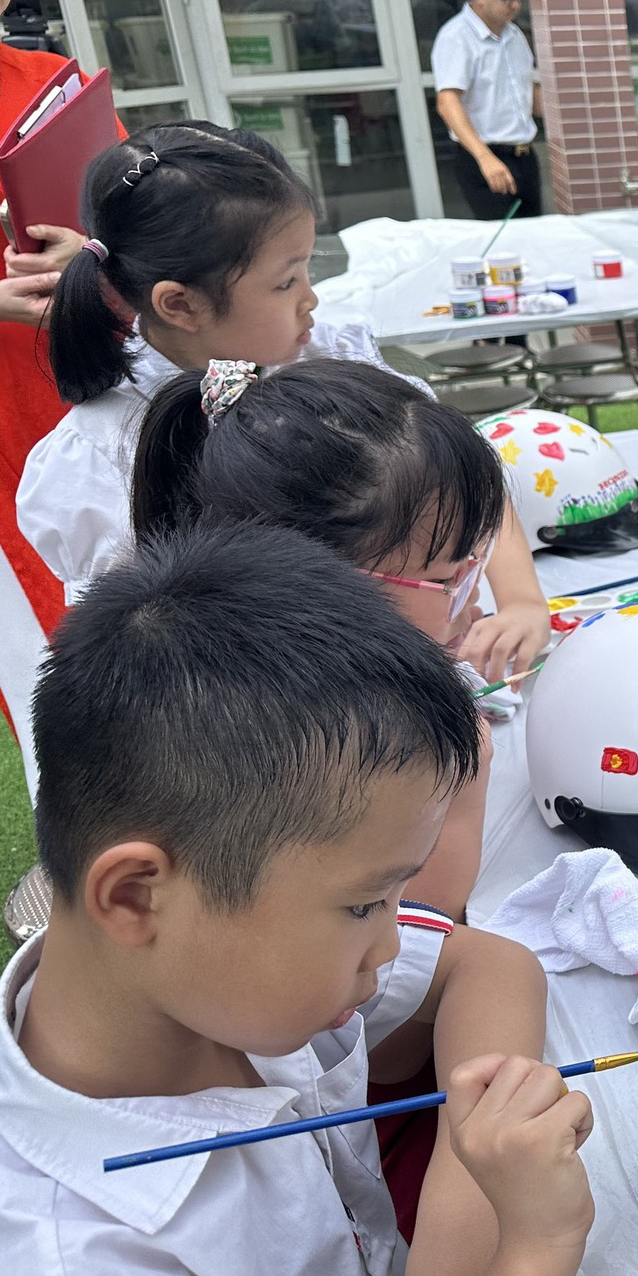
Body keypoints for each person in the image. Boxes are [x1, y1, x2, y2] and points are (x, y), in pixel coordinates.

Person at [0, 522, 591, 1276]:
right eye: (364, 904)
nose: (391, 940)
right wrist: (537, 1248)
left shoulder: (213, 977)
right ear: (136, 897)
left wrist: (447, 1266)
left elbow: (487, 965)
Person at [15, 124, 551, 681]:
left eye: (307, 269)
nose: (311, 297)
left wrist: (520, 601)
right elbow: (147, 656)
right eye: (286, 281)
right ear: (181, 305)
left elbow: (457, 477)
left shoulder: (329, 350)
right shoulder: (101, 458)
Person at [132, 357, 512, 919]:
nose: (470, 594)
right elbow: (415, 931)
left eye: (474, 561)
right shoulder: (400, 746)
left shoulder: (182, 668)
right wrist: (461, 759)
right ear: (321, 584)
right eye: (446, 579)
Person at [0, 0, 106, 654]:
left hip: (78, 389)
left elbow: (127, 221)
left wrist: (91, 251)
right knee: (34, 649)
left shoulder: (48, 85)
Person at [432, 0, 543, 219]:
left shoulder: (515, 35)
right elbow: (447, 102)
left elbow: (528, 92)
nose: (515, 5)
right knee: (504, 240)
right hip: (486, 156)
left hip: (524, 154)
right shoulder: (457, 37)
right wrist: (484, 158)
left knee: (533, 236)